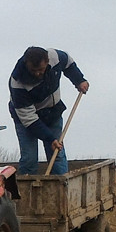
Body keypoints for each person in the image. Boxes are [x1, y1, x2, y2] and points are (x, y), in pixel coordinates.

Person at [8, 46, 89, 175]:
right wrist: (50, 138)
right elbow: (29, 120)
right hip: (27, 121)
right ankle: (27, 192)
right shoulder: (17, 83)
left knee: (57, 154)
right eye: (33, 70)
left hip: (52, 113)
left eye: (40, 69)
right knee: (29, 159)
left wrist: (79, 80)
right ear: (26, 64)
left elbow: (68, 63)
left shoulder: (55, 56)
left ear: (47, 62)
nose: (37, 73)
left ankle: (61, 190)